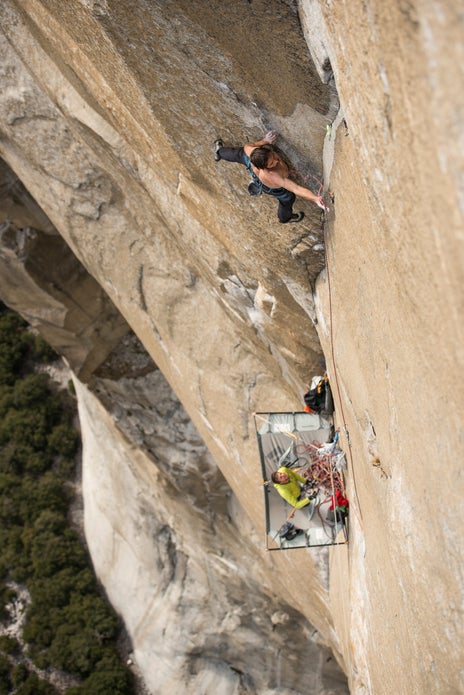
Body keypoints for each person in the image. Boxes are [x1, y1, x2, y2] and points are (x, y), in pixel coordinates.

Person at [213, 131, 327, 223]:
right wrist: (315, 198)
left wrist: (265, 140)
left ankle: (219, 152)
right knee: (288, 198)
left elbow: (250, 145)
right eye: (272, 164)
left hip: (253, 165)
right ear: (265, 168)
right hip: (269, 185)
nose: (277, 161)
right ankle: (285, 218)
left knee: (239, 154)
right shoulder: (273, 175)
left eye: (273, 157)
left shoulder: (252, 151)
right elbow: (296, 188)